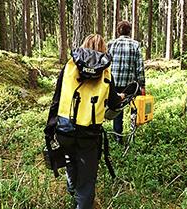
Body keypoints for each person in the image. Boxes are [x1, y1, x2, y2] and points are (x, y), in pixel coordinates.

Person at [44, 34, 122, 209]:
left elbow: (56, 99)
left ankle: (73, 189)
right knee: (87, 180)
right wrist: (122, 96)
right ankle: (82, 199)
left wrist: (50, 128)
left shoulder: (69, 66)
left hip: (64, 128)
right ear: (103, 50)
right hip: (89, 134)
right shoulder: (106, 72)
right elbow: (114, 103)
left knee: (70, 159)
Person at [107, 20, 146, 144]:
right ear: (130, 31)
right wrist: (142, 85)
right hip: (130, 85)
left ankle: (118, 137)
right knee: (134, 107)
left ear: (118, 31)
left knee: (117, 110)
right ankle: (132, 134)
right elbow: (139, 67)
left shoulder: (111, 44)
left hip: (114, 84)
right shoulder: (135, 45)